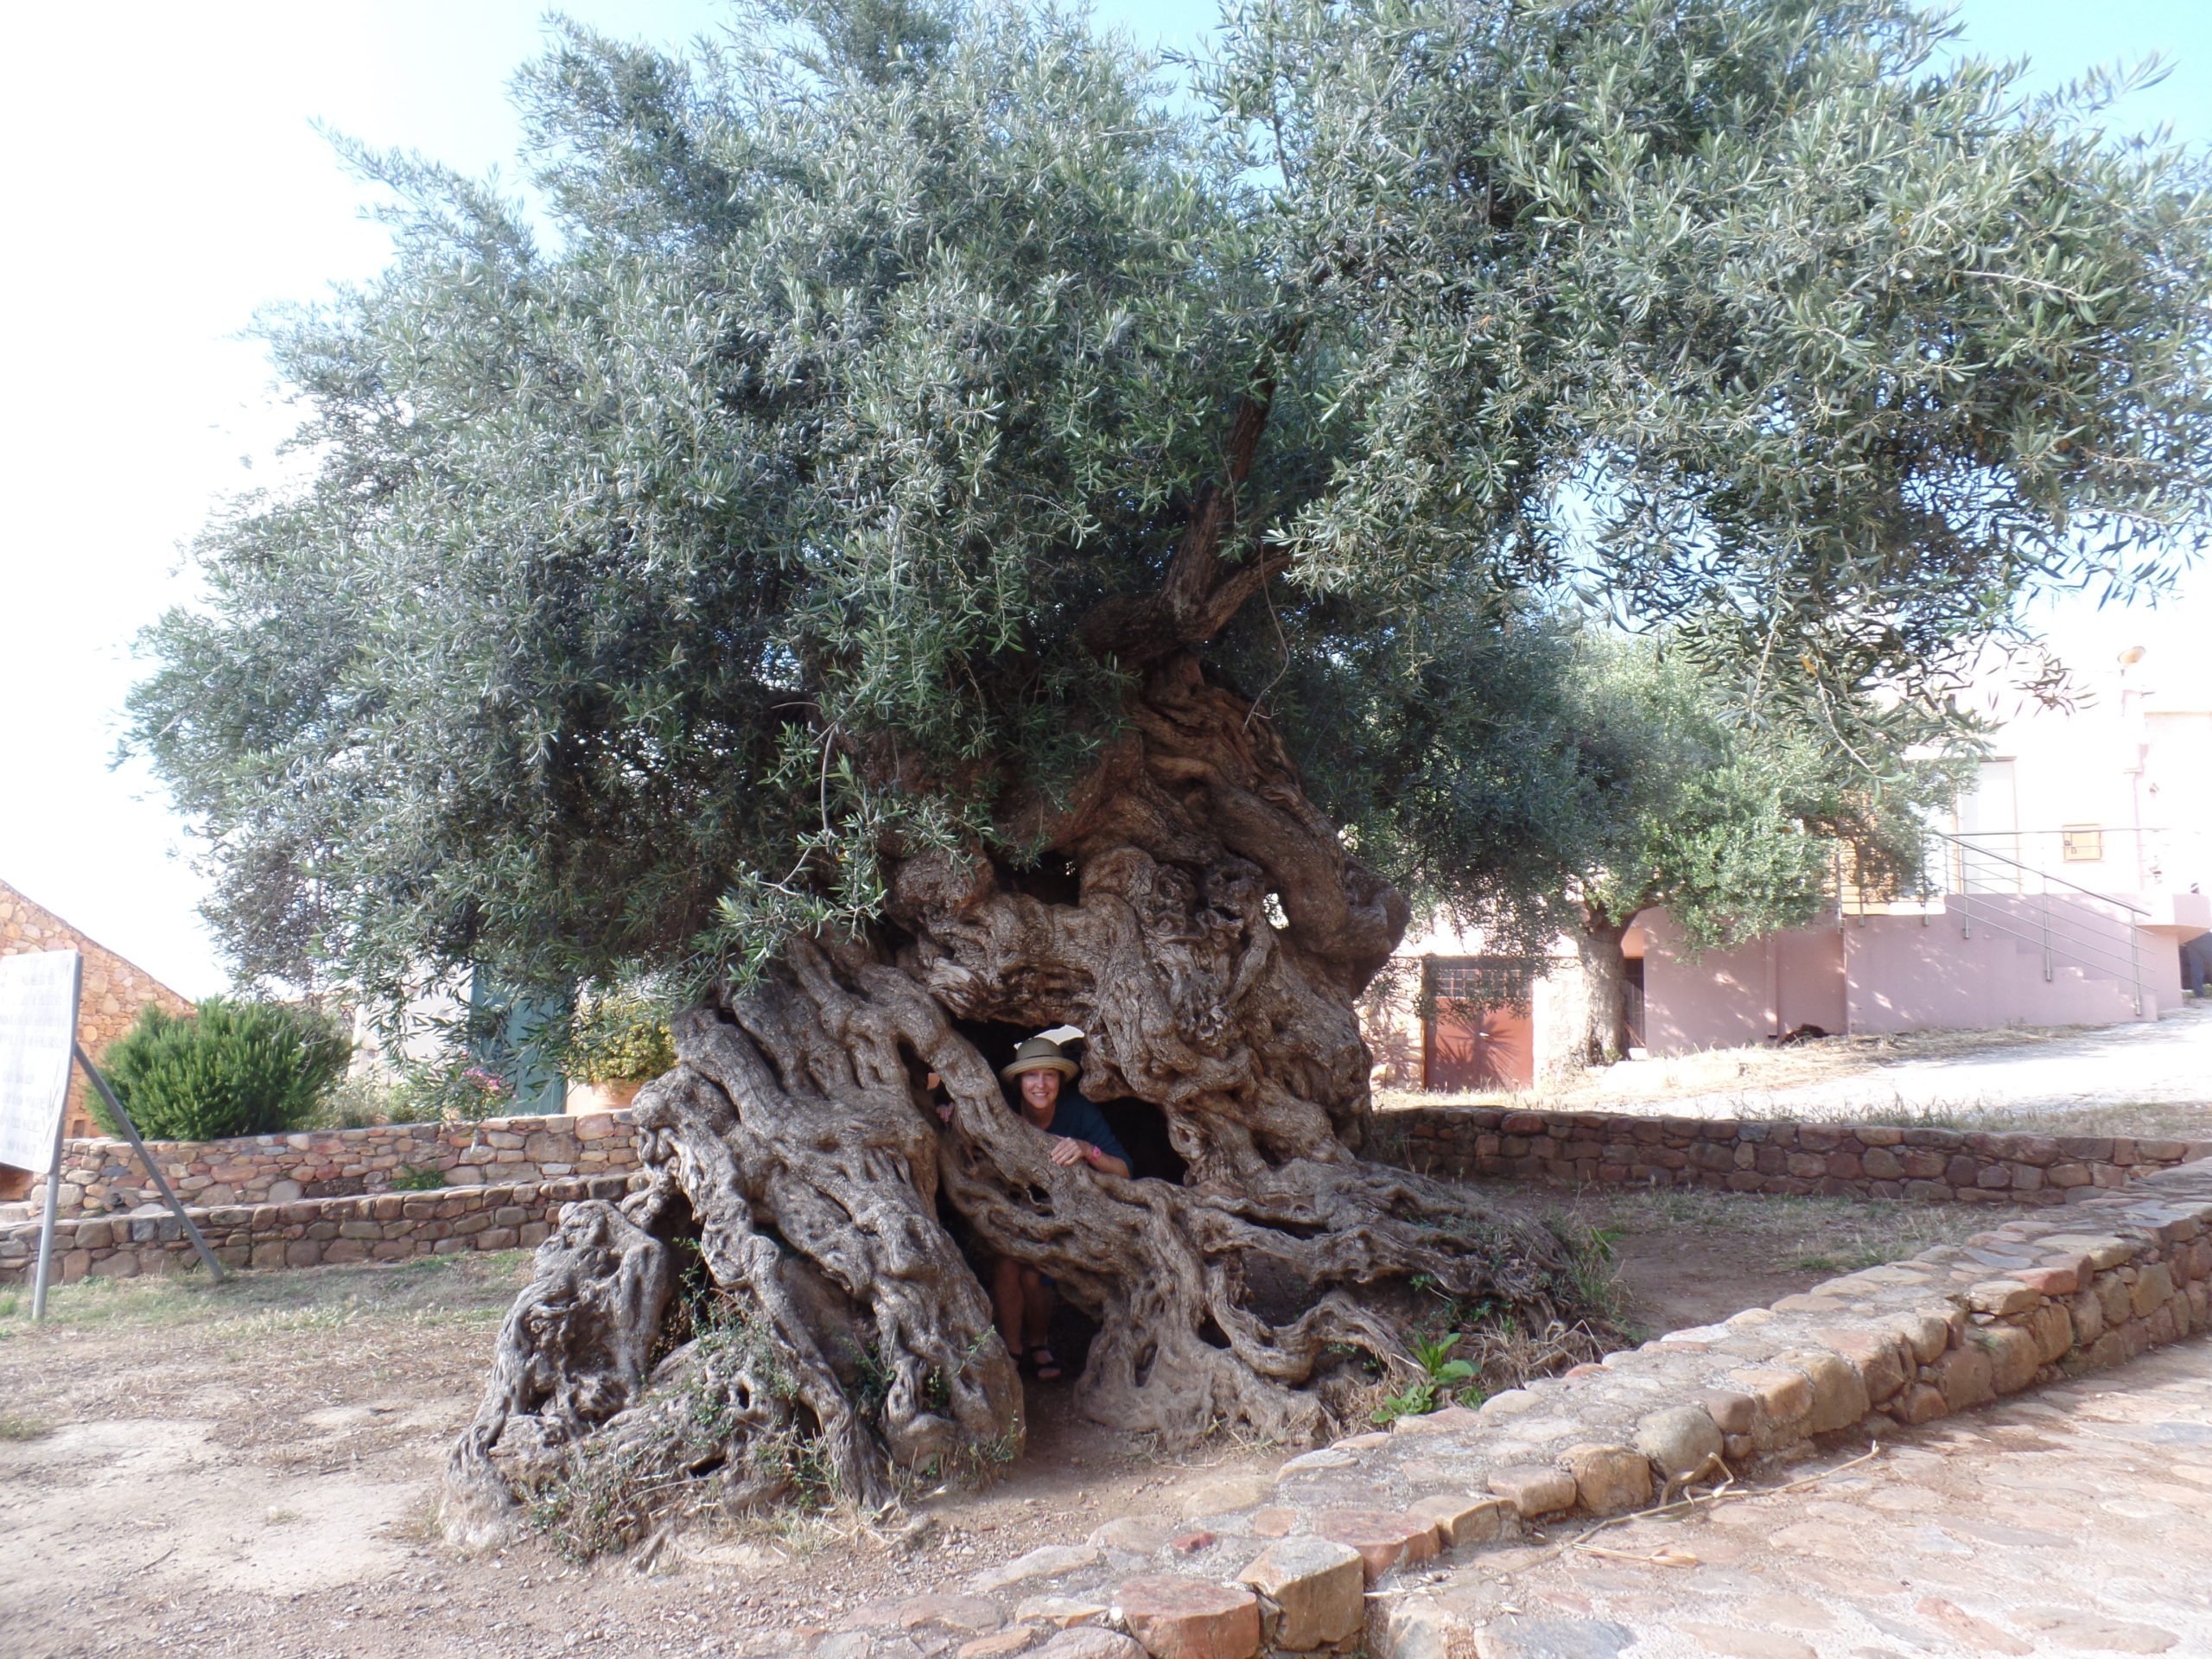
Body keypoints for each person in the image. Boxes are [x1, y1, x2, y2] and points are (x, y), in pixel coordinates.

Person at [941, 1035, 1129, 1381]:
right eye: (1031, 1076)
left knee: (1035, 1269)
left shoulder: (1078, 1112)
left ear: (1060, 1080)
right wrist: (951, 1114)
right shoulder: (999, 1109)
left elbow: (1124, 1170)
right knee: (1009, 1260)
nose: (1040, 1085)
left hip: (1063, 1212)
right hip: (1007, 1206)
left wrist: (1089, 1150)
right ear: (1018, 1081)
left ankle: (1038, 1344)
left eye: (1049, 1076)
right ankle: (1013, 1350)